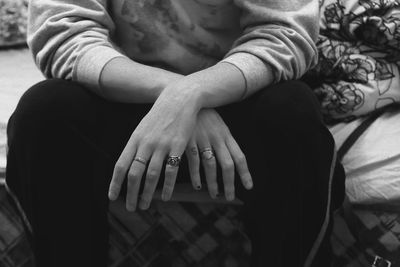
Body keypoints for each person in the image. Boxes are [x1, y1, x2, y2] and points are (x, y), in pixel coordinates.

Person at [5, 0, 345, 266]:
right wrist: (176, 95)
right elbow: (64, 32)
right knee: (44, 112)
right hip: (124, 91)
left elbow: (283, 33)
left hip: (238, 95)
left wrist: (196, 93)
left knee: (293, 114)